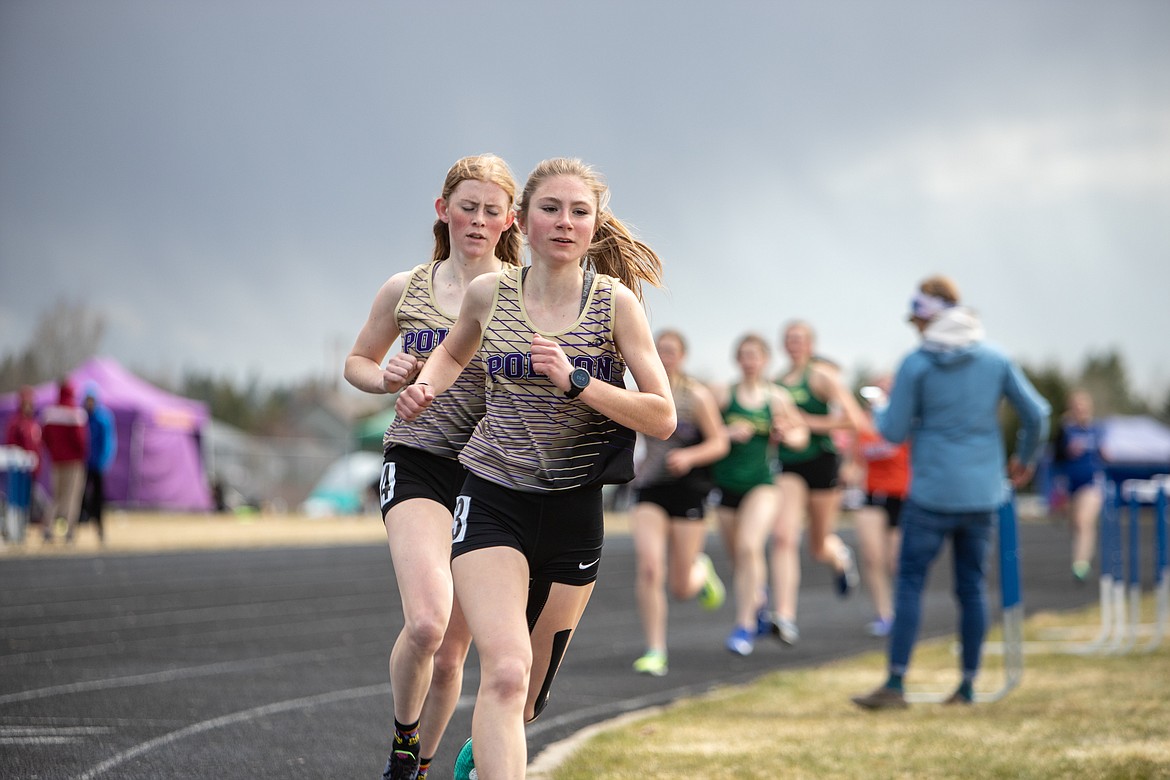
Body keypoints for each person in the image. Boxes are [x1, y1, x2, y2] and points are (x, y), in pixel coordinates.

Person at [396, 157, 674, 780]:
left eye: (579, 212)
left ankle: (485, 755)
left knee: (526, 698)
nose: (564, 222)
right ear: (523, 220)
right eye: (551, 208)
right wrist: (427, 389)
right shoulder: (490, 293)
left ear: (596, 225)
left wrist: (578, 382)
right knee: (504, 670)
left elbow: (661, 416)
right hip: (492, 496)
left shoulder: (615, 306)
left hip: (575, 511)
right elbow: (451, 352)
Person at [344, 154, 524, 780]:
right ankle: (402, 745)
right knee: (426, 621)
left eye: (490, 211)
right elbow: (358, 361)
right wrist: (383, 375)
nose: (477, 221)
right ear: (443, 210)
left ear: (510, 220)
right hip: (418, 459)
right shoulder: (406, 288)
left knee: (452, 657)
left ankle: (418, 768)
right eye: (466, 207)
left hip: (492, 474)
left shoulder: (521, 293)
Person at [852, 275, 1049, 710]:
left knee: (908, 583)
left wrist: (880, 408)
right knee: (972, 587)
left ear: (927, 317)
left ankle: (896, 683)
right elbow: (1038, 413)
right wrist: (1023, 459)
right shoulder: (995, 358)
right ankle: (967, 686)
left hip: (932, 492)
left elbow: (892, 430)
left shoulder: (917, 363)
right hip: (983, 493)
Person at [629, 329, 730, 677]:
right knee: (650, 567)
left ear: (682, 356)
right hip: (650, 488)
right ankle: (655, 649)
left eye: (671, 351)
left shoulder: (696, 396)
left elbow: (719, 443)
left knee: (681, 586)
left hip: (689, 489)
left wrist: (689, 456)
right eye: (659, 350)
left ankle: (700, 572)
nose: (664, 356)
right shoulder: (644, 391)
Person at [710, 333, 809, 655]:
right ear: (737, 360)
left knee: (750, 546)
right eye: (744, 355)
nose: (750, 361)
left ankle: (744, 626)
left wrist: (785, 433)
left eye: (755, 355)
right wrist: (727, 432)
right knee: (740, 558)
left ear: (765, 360)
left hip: (762, 485)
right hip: (726, 486)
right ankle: (759, 599)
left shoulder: (777, 398)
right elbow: (703, 432)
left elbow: (801, 437)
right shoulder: (723, 394)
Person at [771, 321, 868, 642]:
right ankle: (784, 616)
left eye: (800, 339)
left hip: (822, 463)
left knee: (817, 545)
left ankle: (839, 556)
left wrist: (808, 422)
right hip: (790, 466)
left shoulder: (822, 376)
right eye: (789, 339)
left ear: (811, 344)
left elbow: (855, 421)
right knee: (784, 537)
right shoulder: (777, 383)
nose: (794, 344)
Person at [851, 374, 910, 638]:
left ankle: (905, 611)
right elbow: (854, 460)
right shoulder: (863, 422)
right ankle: (884, 615)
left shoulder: (907, 419)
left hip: (903, 495)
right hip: (872, 494)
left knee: (896, 561)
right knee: (871, 556)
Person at [1052, 389, 1104, 583]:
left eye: (1083, 405)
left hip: (1091, 483)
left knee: (1084, 521)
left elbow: (1104, 453)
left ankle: (1081, 564)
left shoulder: (1097, 429)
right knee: (1074, 525)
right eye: (1076, 405)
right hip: (1071, 485)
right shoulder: (1065, 430)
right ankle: (1082, 554)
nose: (1080, 408)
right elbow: (1056, 458)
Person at [40, 380, 88, 544]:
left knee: (56, 496)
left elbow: (44, 437)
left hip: (56, 461)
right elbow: (80, 441)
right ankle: (69, 531)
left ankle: (47, 527)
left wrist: (54, 451)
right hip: (73, 462)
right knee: (72, 497)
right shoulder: (75, 413)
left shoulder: (50, 413)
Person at [4, 386, 46, 541]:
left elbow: (37, 447)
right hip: (18, 470)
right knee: (16, 501)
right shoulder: (16, 424)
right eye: (26, 403)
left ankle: (21, 531)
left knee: (27, 501)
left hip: (31, 470)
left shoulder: (33, 424)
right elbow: (11, 446)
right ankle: (14, 531)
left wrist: (36, 464)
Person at [78, 382, 117, 543]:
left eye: (91, 400)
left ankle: (99, 527)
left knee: (98, 497)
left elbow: (108, 442)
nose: (89, 403)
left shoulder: (102, 418)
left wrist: (103, 460)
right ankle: (79, 524)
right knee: (80, 495)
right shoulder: (82, 417)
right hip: (84, 463)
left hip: (97, 464)